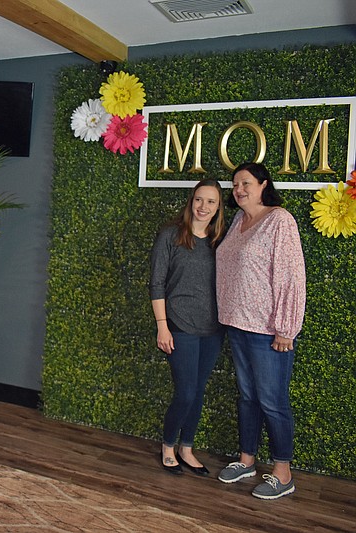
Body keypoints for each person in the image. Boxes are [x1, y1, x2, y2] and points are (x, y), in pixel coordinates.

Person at [215, 162, 305, 500]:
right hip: (237, 325)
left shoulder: (280, 220)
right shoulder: (239, 220)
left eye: (246, 183)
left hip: (268, 331)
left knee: (272, 401)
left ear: (263, 184)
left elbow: (291, 276)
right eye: (236, 184)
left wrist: (286, 328)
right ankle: (247, 461)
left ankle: (283, 473)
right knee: (248, 398)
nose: (239, 189)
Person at [150, 178, 226, 476]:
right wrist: (162, 326)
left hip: (213, 329)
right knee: (186, 393)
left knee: (198, 391)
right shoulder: (171, 235)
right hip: (179, 324)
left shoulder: (221, 241)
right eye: (199, 199)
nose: (203, 206)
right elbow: (156, 283)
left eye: (210, 202)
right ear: (190, 201)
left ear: (219, 208)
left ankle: (187, 448)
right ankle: (168, 446)